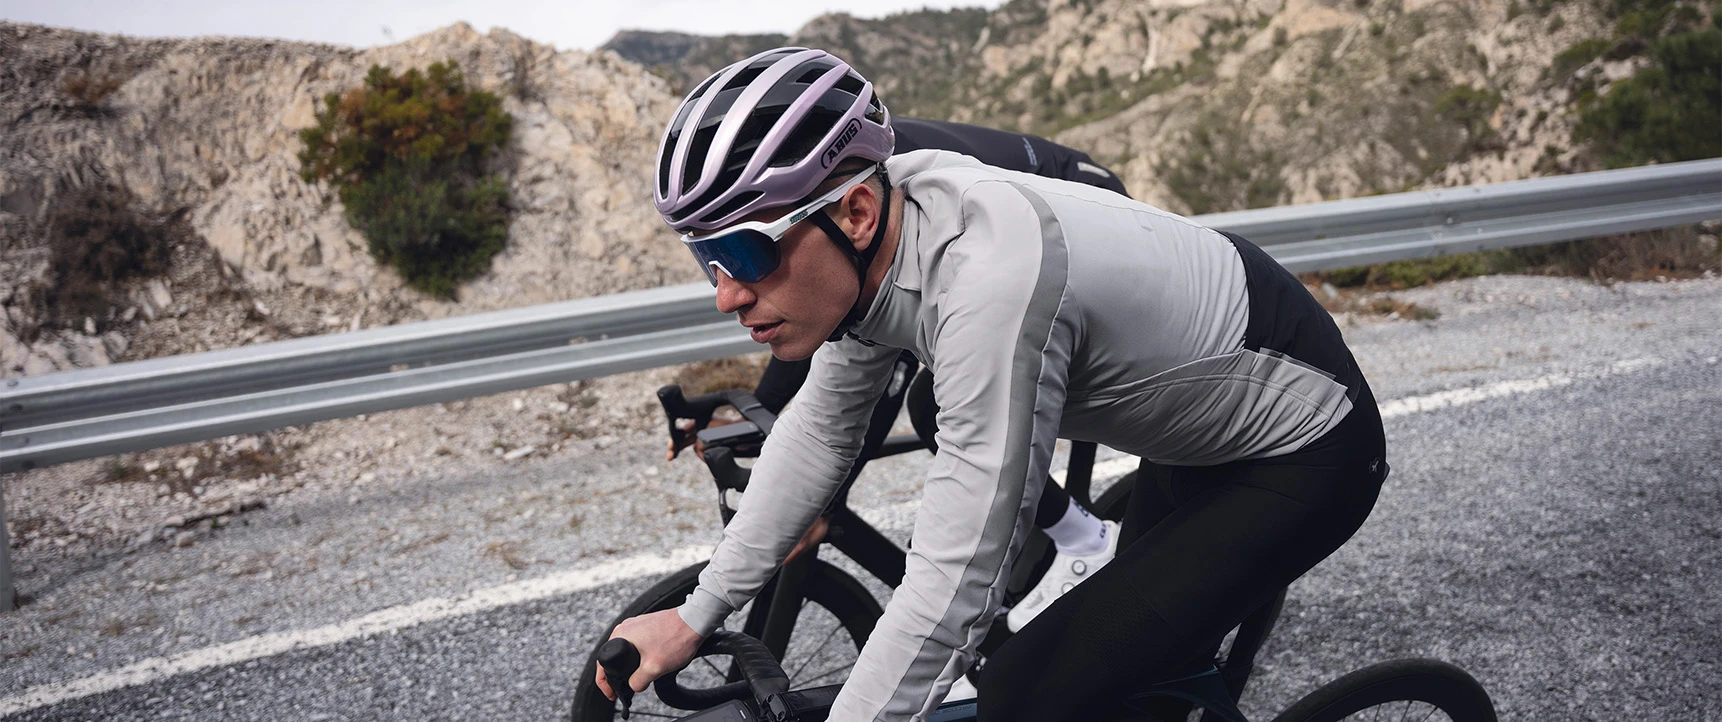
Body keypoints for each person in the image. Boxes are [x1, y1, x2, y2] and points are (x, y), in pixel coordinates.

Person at [602, 47, 1389, 722]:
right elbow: (821, 430)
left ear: (857, 212)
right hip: (1201, 424)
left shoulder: (991, 280)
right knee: (1125, 683)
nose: (726, 294)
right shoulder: (881, 246)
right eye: (706, 261)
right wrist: (696, 614)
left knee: (1021, 692)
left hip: (1302, 447)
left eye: (744, 254)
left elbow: (954, 583)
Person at [666, 116, 1133, 636]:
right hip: (987, 245)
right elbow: (820, 344)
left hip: (1080, 199)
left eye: (746, 252)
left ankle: (1085, 540)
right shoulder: (830, 188)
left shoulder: (873, 182)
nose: (727, 293)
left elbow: (872, 374)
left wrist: (822, 496)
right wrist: (746, 418)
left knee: (933, 401)